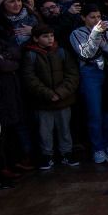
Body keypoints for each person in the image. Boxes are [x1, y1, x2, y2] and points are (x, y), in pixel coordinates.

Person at [70, 6, 108, 164]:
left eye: (98, 16)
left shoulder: (107, 33)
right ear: (84, 18)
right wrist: (95, 35)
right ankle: (98, 148)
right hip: (90, 73)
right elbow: (85, 53)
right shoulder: (78, 33)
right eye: (92, 17)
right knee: (94, 113)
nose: (96, 20)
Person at [24, 24, 79, 169]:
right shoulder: (31, 55)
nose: (49, 39)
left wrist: (60, 93)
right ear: (36, 38)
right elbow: (30, 79)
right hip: (43, 101)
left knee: (65, 129)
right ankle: (47, 156)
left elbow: (72, 75)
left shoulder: (61, 52)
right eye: (45, 36)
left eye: (51, 36)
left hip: (63, 100)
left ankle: (66, 153)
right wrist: (48, 94)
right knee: (44, 131)